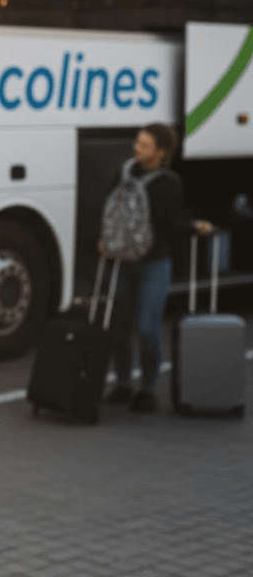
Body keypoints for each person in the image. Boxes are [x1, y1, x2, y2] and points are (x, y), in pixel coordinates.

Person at [102, 123, 213, 412]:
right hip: (123, 259)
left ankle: (148, 389)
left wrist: (191, 227)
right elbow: (109, 211)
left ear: (161, 152)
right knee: (119, 327)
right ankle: (124, 384)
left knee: (146, 326)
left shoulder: (169, 182)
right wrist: (104, 240)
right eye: (137, 142)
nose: (136, 149)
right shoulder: (125, 172)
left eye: (144, 145)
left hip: (154, 262)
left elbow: (170, 225)